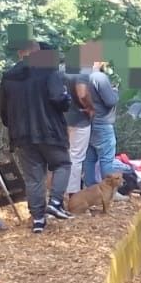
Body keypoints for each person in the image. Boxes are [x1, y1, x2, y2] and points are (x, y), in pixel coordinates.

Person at [0, 40, 73, 233]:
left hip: (21, 135)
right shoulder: (49, 72)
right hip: (49, 132)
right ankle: (55, 201)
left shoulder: (8, 77)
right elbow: (58, 99)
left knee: (33, 177)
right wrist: (66, 101)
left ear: (20, 53)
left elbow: (3, 111)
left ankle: (38, 219)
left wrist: (13, 124)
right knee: (63, 164)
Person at [82, 59, 123, 188]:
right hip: (103, 123)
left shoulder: (82, 76)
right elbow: (110, 101)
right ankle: (109, 189)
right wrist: (115, 91)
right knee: (106, 159)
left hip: (88, 122)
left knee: (89, 159)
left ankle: (90, 188)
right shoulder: (99, 77)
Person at [62, 61, 95, 198]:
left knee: (64, 155)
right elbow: (82, 93)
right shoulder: (83, 70)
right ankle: (73, 194)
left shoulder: (62, 68)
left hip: (62, 118)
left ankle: (58, 193)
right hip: (79, 119)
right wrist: (90, 107)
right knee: (76, 157)